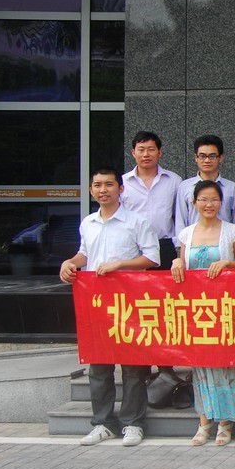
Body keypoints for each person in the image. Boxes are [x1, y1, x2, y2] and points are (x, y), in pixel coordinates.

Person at [60, 167, 160, 447]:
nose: (103, 190)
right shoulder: (88, 222)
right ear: (91, 190)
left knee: (133, 365)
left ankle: (133, 423)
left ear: (120, 188)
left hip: (129, 301)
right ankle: (103, 423)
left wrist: (120, 265)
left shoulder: (136, 221)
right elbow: (84, 254)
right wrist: (70, 263)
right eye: (97, 185)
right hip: (97, 302)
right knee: (99, 366)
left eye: (109, 184)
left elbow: (152, 258)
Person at [170, 180, 235, 447]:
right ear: (194, 203)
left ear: (221, 203)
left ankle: (226, 422)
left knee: (225, 365)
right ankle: (204, 421)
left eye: (214, 199)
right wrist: (177, 261)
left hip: (225, 307)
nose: (209, 204)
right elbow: (183, 265)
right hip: (197, 309)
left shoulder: (232, 231)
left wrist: (228, 263)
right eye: (203, 199)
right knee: (200, 365)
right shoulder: (186, 234)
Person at [120, 131, 181, 269]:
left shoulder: (174, 180)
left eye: (151, 149)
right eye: (141, 150)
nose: (146, 154)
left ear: (159, 153)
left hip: (164, 245)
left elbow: (179, 216)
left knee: (165, 283)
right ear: (133, 153)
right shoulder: (123, 182)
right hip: (132, 245)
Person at [174, 135, 235, 237]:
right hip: (193, 242)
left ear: (220, 158)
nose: (207, 160)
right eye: (202, 156)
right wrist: (180, 244)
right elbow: (180, 222)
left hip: (225, 242)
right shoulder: (185, 187)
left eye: (212, 156)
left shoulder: (233, 188)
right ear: (196, 158)